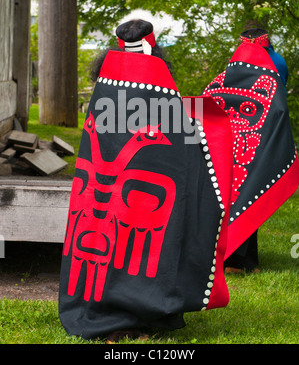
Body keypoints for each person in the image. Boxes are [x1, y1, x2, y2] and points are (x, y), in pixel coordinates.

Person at [59, 18, 232, 343]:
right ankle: (125, 317)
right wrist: (216, 116)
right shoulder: (159, 89)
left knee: (118, 248)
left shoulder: (104, 88)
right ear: (155, 49)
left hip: (114, 198)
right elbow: (183, 129)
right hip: (134, 198)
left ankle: (120, 311)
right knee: (138, 251)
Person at [202, 27, 298, 274]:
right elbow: (277, 104)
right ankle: (237, 261)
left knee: (229, 195)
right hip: (255, 139)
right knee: (249, 191)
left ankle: (240, 259)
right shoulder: (277, 63)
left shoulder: (230, 69)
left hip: (227, 142)